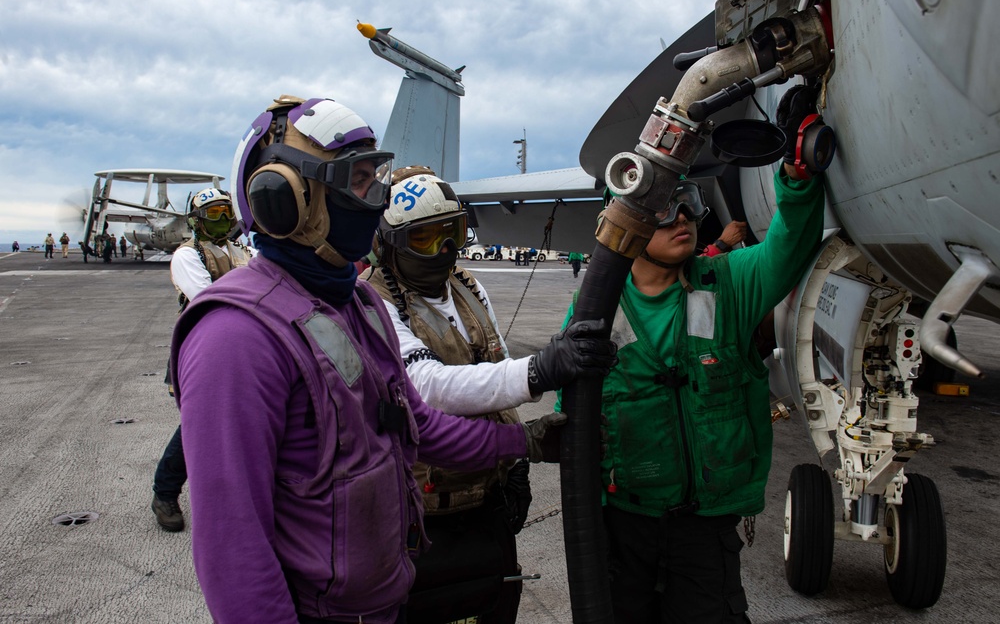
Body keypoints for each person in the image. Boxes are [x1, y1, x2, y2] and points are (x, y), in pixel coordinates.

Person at [171, 95, 604, 623]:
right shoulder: (235, 337)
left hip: (390, 600)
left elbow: (416, 426)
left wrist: (524, 441)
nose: (374, 198)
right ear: (285, 198)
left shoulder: (361, 304)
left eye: (375, 177)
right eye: (355, 180)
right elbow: (234, 548)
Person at [561, 85, 828, 623]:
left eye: (689, 206)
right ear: (630, 223)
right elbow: (574, 414)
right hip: (625, 526)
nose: (682, 218)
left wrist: (796, 176)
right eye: (664, 210)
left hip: (704, 529)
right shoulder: (595, 308)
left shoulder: (729, 282)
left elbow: (786, 250)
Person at [363, 167, 616, 623]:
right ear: (389, 244)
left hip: (487, 495)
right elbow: (428, 387)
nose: (444, 250)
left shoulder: (466, 285)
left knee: (493, 602)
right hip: (422, 513)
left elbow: (494, 366)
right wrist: (539, 371)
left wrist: (517, 463)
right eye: (425, 239)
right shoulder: (370, 302)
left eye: (452, 232)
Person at [151, 186, 253, 532]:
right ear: (197, 220)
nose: (223, 220)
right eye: (214, 214)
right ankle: (164, 494)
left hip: (246, 348)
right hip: (203, 350)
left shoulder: (242, 249)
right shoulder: (186, 255)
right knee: (197, 427)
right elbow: (209, 299)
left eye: (227, 212)